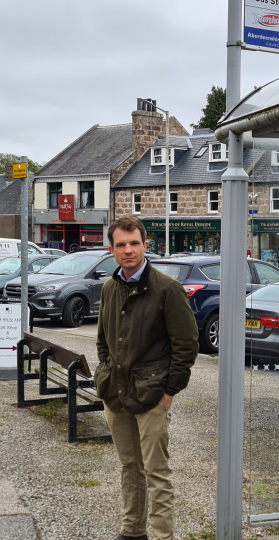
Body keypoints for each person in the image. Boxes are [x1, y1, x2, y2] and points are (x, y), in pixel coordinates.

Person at [95, 216, 199, 540]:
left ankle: (162, 536)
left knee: (157, 473)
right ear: (111, 249)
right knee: (130, 467)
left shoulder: (167, 288)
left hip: (152, 396)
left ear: (145, 245)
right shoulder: (110, 287)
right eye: (121, 245)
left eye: (134, 243)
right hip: (116, 395)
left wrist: (169, 392)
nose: (129, 250)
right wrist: (107, 373)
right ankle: (132, 531)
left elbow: (187, 346)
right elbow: (103, 341)